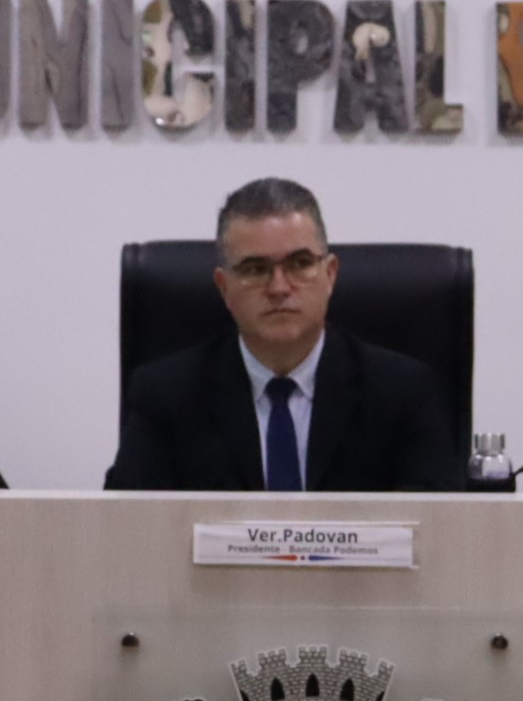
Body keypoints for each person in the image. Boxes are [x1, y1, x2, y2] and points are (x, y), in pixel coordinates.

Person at [105, 177, 462, 493]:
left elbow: (438, 534)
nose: (278, 287)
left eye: (300, 263)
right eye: (255, 268)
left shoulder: (402, 393)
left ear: (331, 274)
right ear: (224, 287)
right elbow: (127, 533)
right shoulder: (165, 396)